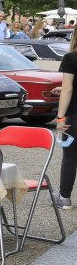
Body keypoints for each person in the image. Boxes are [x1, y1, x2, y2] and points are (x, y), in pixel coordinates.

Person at [55, 43, 75, 209]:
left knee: (70, 157)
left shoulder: (71, 57)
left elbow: (68, 89)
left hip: (75, 117)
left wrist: (60, 117)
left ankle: (64, 198)